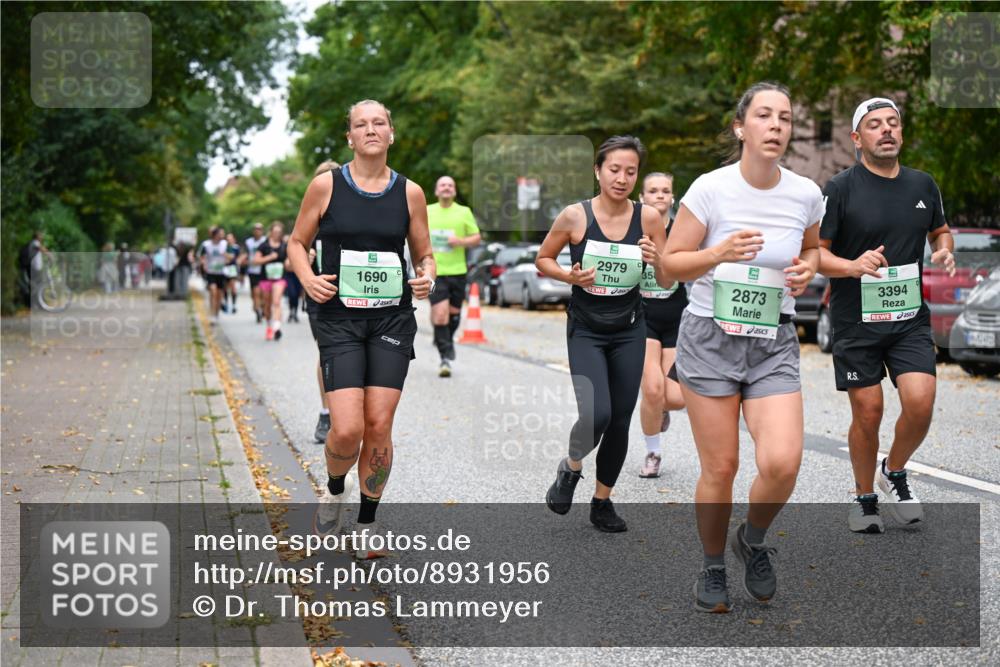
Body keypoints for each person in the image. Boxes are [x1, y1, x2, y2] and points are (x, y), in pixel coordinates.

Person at [662, 82, 824, 612]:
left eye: (785, 118)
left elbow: (811, 250)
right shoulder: (711, 189)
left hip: (772, 339)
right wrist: (718, 253)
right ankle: (712, 565)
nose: (776, 125)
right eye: (764, 116)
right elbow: (669, 265)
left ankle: (751, 540)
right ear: (740, 127)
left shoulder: (805, 193)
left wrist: (807, 270)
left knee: (782, 462)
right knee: (722, 467)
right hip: (710, 338)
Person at [287, 100, 434, 558]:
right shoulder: (326, 185)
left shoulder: (411, 193)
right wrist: (308, 278)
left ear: (391, 133)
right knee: (348, 429)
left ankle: (367, 523)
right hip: (340, 319)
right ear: (349, 137)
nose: (370, 129)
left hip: (392, 319)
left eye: (379, 123)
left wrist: (428, 276)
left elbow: (424, 254)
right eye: (360, 124)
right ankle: (334, 490)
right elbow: (297, 243)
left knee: (379, 423)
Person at [818, 97, 954, 534]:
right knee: (869, 410)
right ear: (857, 138)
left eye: (893, 122)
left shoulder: (922, 185)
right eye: (875, 124)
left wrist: (945, 249)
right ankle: (864, 499)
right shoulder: (840, 188)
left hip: (908, 317)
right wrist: (852, 265)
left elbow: (940, 230)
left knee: (920, 402)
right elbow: (817, 254)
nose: (887, 130)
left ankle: (893, 470)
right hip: (856, 319)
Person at [537, 136, 668, 534]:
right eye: (614, 169)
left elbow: (667, 278)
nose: (622, 178)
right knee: (597, 414)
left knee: (620, 419)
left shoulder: (649, 219)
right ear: (597, 171)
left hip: (630, 329)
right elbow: (543, 259)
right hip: (586, 329)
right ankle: (571, 467)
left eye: (631, 171)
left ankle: (602, 501)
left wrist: (657, 260)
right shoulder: (575, 216)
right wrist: (569, 276)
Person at [636, 172, 688, 478]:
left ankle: (659, 410)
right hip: (642, 317)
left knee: (677, 398)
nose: (659, 195)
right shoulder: (632, 229)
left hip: (676, 317)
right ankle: (653, 452)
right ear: (642, 197)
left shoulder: (682, 230)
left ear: (672, 197)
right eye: (653, 190)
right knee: (653, 389)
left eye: (665, 191)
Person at [426, 175, 481, 377]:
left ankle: (444, 338)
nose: (446, 187)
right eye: (443, 185)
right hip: (435, 271)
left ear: (454, 191)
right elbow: (416, 235)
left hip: (458, 271)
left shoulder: (464, 212)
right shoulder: (427, 211)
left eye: (450, 185)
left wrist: (460, 241)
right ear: (436, 191)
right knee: (441, 314)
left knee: (453, 314)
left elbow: (476, 238)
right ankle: (445, 357)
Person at [307, 160, 340, 445]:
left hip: (353, 294)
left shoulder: (353, 213)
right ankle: (326, 413)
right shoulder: (309, 215)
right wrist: (304, 263)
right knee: (327, 351)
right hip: (319, 295)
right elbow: (292, 254)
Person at [253, 222, 289, 340]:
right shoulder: (264, 245)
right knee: (267, 305)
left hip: (280, 278)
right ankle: (269, 326)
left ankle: (277, 327)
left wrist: (289, 264)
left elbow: (288, 261)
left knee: (276, 301)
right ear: (271, 232)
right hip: (265, 279)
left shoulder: (284, 246)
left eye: (279, 232)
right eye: (275, 232)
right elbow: (256, 261)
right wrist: (269, 257)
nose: (277, 234)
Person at [198, 227, 229, 324]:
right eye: (220, 234)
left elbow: (231, 256)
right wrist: (203, 264)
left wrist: (226, 256)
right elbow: (202, 256)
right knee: (213, 291)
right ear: (214, 235)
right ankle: (212, 314)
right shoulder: (206, 245)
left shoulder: (225, 244)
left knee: (219, 295)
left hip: (221, 272)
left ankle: (216, 313)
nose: (221, 236)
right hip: (211, 272)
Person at [244, 223, 267, 323]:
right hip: (252, 271)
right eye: (256, 229)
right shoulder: (248, 242)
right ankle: (258, 312)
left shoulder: (266, 240)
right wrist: (243, 260)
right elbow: (246, 254)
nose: (257, 231)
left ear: (262, 231)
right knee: (255, 292)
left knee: (263, 293)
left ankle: (261, 307)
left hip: (264, 270)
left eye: (259, 229)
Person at [283, 233, 303, 322]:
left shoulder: (299, 250)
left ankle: (295, 312)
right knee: (292, 294)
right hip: (289, 276)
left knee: (297, 295)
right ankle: (291, 311)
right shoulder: (284, 251)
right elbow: (287, 266)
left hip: (298, 275)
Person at [222, 232, 241, 313]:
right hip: (224, 268)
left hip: (232, 268)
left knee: (233, 286)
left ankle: (234, 304)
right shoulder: (224, 247)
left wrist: (226, 255)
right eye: (227, 239)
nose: (229, 240)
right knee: (225, 287)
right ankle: (226, 302)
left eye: (230, 239)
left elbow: (235, 257)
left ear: (234, 239)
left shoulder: (236, 248)